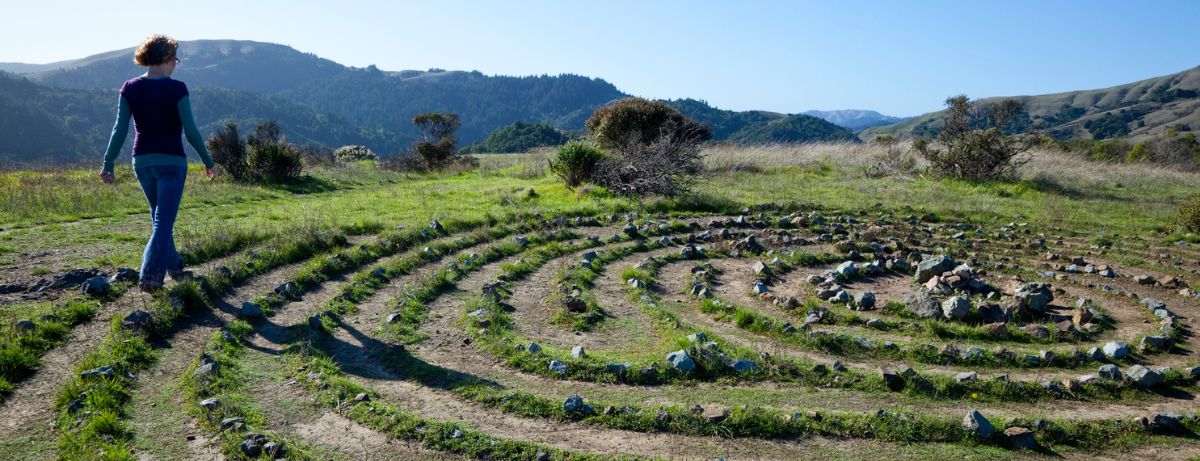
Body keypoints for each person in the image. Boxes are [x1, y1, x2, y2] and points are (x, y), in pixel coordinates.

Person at [100, 34, 216, 293]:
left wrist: (108, 163)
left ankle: (175, 265)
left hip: (141, 162)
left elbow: (119, 129)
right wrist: (208, 161)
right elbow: (192, 131)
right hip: (172, 163)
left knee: (158, 217)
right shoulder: (177, 89)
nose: (176, 63)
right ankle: (151, 276)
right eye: (175, 58)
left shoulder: (129, 87)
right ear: (165, 58)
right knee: (163, 221)